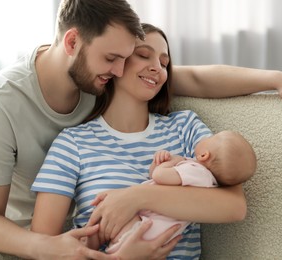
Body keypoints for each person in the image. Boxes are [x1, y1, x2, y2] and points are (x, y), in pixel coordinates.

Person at [0, 0, 282, 258]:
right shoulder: (23, 114)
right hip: (24, 239)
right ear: (74, 44)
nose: (149, 67)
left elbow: (197, 79)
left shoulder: (176, 122)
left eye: (163, 61)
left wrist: (278, 79)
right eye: (119, 58)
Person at [31, 23, 252, 259]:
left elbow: (234, 207)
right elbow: (44, 247)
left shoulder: (184, 127)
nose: (157, 67)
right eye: (144, 55)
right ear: (115, 63)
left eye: (164, 63)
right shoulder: (72, 144)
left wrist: (136, 198)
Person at [105, 130, 257, 254]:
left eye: (211, 137)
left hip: (143, 228)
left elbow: (159, 176)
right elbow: (155, 178)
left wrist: (170, 162)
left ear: (204, 155)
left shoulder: (197, 172)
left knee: (110, 222)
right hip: (152, 231)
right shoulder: (207, 183)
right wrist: (161, 164)